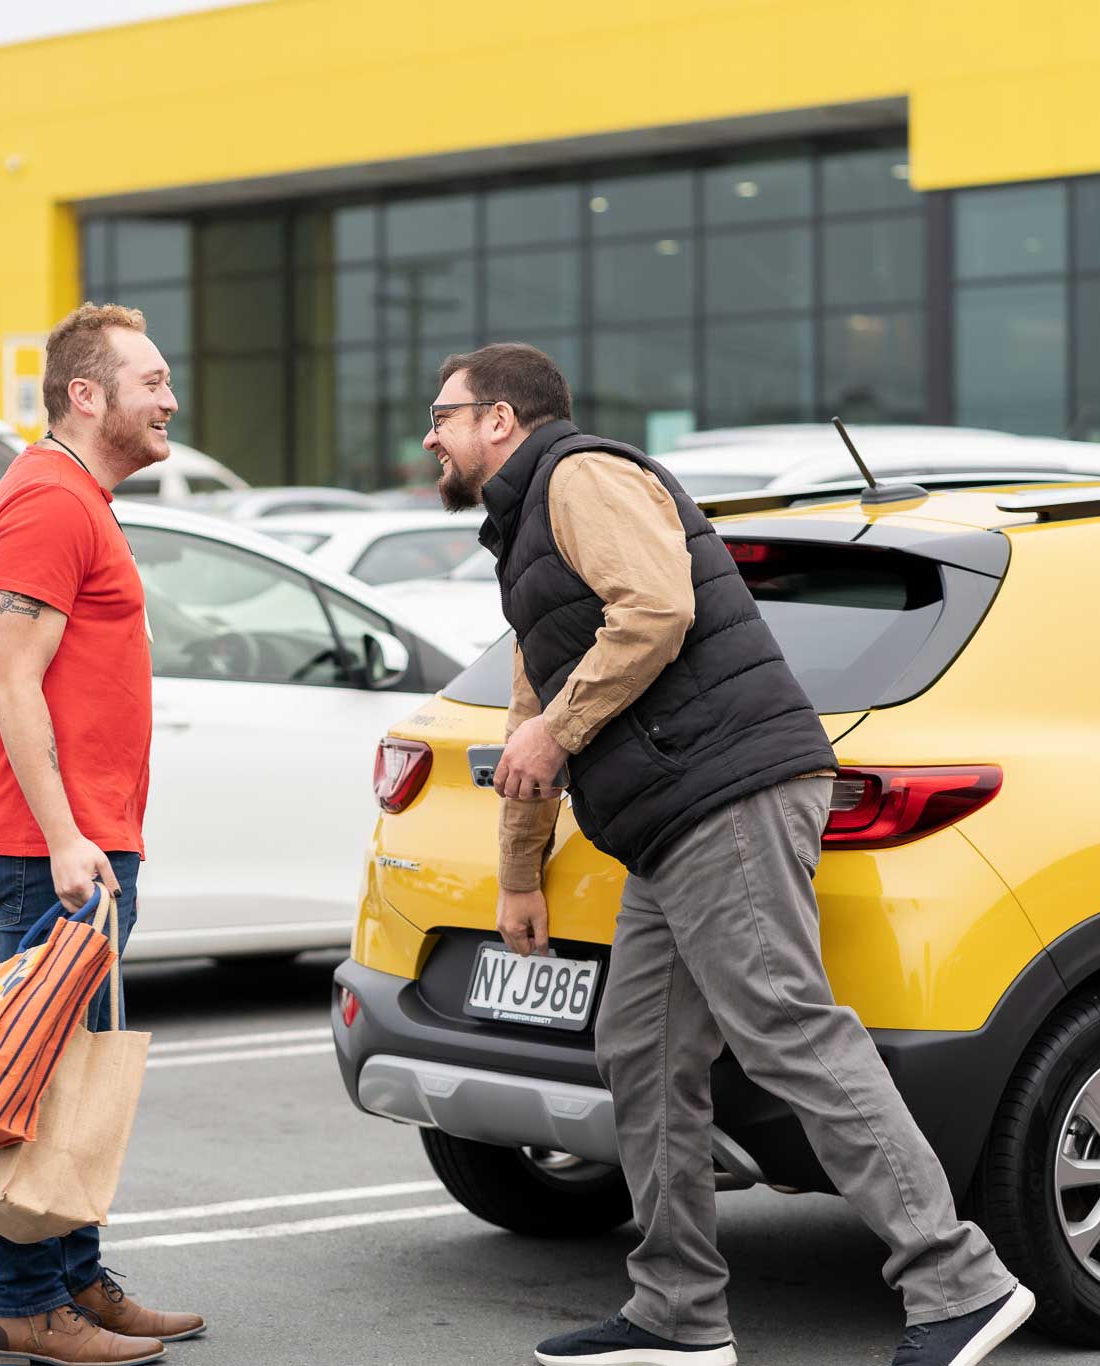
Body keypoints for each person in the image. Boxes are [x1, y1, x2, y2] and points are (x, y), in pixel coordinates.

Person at [425, 343, 1034, 1366]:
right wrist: (521, 870)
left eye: (442, 414)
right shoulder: (525, 528)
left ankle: (959, 1283)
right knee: (642, 1053)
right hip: (669, 818)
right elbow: (536, 702)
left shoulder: (582, 475)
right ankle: (676, 1312)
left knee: (786, 1027)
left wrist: (559, 734)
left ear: (499, 418)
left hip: (728, 789)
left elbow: (655, 611)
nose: (430, 435)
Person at [0, 302, 205, 1366]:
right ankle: (25, 1301)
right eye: (149, 380)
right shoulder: (49, 503)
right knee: (45, 1077)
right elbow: (14, 680)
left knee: (78, 1065)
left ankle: (75, 1278)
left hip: (83, 838)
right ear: (85, 394)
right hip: (54, 848)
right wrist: (64, 837)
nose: (169, 399)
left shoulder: (70, 498)